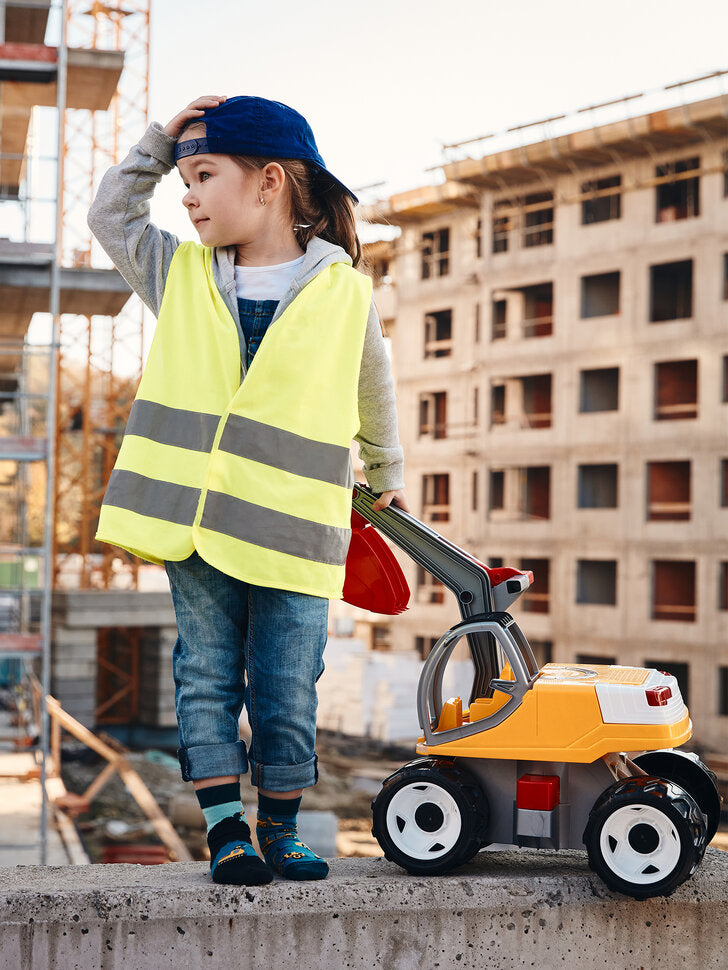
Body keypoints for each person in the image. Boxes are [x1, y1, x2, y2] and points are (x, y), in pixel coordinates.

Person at [88, 95, 408, 886]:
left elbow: (375, 389)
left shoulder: (342, 289)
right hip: (193, 521)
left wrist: (389, 476)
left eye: (202, 176)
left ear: (269, 182)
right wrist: (162, 142)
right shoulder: (181, 271)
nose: (185, 194)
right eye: (181, 179)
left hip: (297, 527)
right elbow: (109, 214)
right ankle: (228, 828)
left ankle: (283, 827)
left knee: (288, 683)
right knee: (205, 674)